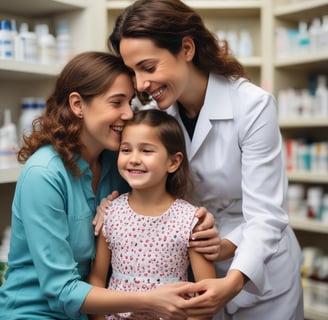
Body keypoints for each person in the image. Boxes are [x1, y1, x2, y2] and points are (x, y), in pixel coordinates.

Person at [107, 1, 304, 319]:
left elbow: (267, 215)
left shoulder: (251, 106)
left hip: (260, 272)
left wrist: (232, 273)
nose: (141, 85)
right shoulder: (154, 115)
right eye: (133, 72)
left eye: (148, 67)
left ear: (186, 48)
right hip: (193, 268)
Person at [0, 51, 205, 320]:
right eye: (117, 102)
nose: (128, 113)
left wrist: (199, 226)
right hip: (35, 313)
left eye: (129, 102)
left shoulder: (117, 164)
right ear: (77, 105)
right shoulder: (44, 174)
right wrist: (149, 300)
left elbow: (154, 214)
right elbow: (60, 291)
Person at [88, 109, 217, 320]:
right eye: (126, 149)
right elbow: (97, 279)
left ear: (173, 162)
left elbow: (207, 296)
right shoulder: (111, 213)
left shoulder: (191, 221)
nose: (134, 159)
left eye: (147, 151)